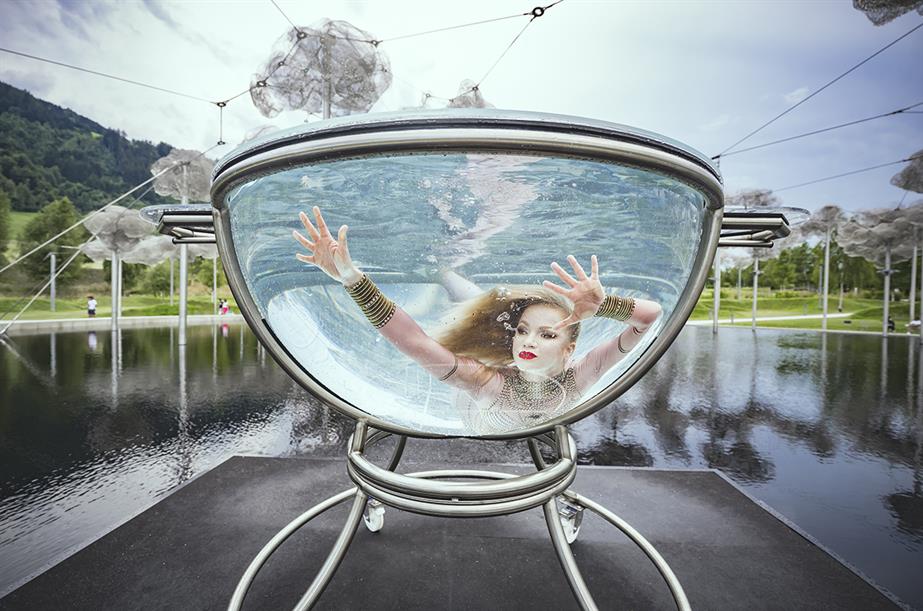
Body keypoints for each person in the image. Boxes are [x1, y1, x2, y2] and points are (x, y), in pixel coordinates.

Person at [292, 207, 662, 432]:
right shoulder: (487, 383)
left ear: (570, 350)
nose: (528, 342)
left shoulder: (582, 373)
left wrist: (605, 305)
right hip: (485, 393)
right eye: (522, 332)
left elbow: (649, 318)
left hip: (508, 377)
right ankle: (443, 270)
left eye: (547, 335)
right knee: (483, 306)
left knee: (480, 306)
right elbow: (416, 342)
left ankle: (447, 274)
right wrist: (353, 280)